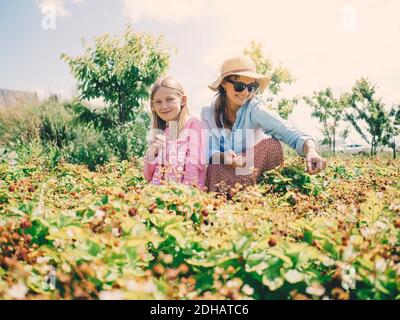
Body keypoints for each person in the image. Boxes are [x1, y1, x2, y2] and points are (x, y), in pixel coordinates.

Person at [201, 55, 327, 193]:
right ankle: (227, 198)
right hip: (226, 173)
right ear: (224, 84)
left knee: (272, 145)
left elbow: (286, 130)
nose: (245, 93)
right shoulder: (208, 114)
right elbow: (207, 152)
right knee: (213, 167)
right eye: (239, 86)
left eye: (251, 87)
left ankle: (250, 191)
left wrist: (311, 150)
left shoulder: (255, 108)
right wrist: (224, 157)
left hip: (255, 169)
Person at [144, 76, 206, 189]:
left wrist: (187, 193)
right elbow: (148, 176)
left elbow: (194, 165)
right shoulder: (161, 131)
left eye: (169, 99)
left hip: (184, 196)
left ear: (183, 100)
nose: (164, 106)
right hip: (160, 196)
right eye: (158, 102)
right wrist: (152, 152)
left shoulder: (192, 123)